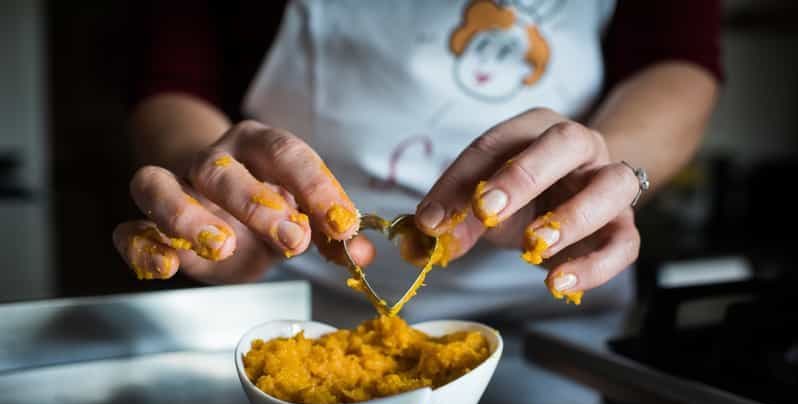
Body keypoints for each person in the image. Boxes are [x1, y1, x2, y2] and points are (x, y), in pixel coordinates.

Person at [113, 0, 721, 325]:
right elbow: (169, 73)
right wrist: (216, 200)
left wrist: (605, 174)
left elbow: (677, 61)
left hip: (552, 322)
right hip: (286, 306)